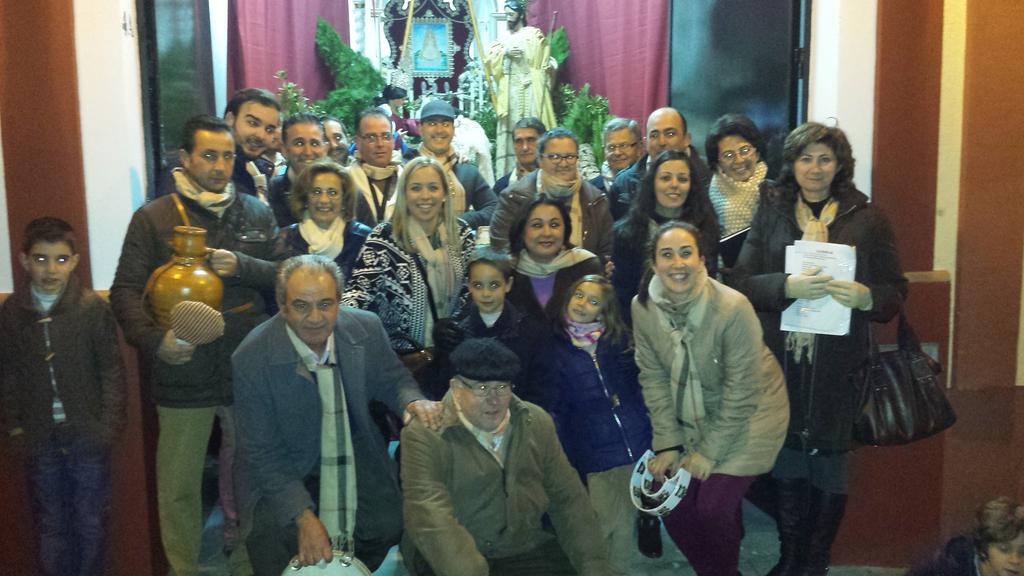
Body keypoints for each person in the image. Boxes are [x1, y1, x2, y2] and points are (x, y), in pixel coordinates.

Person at [729, 122, 907, 576]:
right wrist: (788, 285)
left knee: (829, 462)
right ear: (791, 163)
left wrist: (865, 297)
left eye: (825, 159)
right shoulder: (772, 212)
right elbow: (743, 283)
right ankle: (791, 558)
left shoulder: (868, 218)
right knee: (787, 453)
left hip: (839, 364)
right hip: (783, 358)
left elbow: (894, 291)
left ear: (839, 166)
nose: (814, 168)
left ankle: (815, 563)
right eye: (806, 158)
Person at [110, 114, 278, 576]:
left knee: (253, 476)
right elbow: (125, 291)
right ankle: (182, 569)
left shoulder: (258, 212)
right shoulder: (153, 218)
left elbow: (285, 276)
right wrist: (155, 341)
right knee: (179, 486)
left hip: (247, 364)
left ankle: (248, 564)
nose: (220, 166)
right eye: (209, 155)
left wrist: (241, 264)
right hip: (183, 368)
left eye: (227, 156)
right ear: (184, 158)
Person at [233, 255, 441, 575]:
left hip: (353, 449)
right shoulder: (251, 356)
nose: (315, 317)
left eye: (326, 304)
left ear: (339, 301)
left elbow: (393, 380)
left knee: (388, 523)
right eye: (301, 305)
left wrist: (412, 403)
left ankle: (350, 568)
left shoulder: (365, 327)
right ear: (282, 304)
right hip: (286, 465)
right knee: (273, 540)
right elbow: (262, 452)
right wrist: (303, 516)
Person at [634, 221, 789, 576]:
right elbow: (653, 379)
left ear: (702, 258)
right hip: (693, 415)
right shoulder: (642, 308)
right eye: (667, 255)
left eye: (686, 253)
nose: (678, 263)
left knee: (713, 508)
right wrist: (668, 444)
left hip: (754, 413)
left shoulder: (733, 307)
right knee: (669, 501)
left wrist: (709, 453)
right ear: (654, 264)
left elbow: (743, 390)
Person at [401, 338, 612, 576]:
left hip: (522, 547)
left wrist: (595, 567)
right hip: (447, 556)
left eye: (502, 387)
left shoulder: (535, 422)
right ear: (457, 388)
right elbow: (430, 516)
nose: (494, 399)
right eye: (482, 388)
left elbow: (569, 499)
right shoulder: (426, 433)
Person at [0, 217, 127, 576]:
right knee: (51, 523)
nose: (50, 269)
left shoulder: (91, 309)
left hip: (88, 435)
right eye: (40, 259)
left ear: (74, 261)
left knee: (90, 521)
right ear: (25, 261)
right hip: (39, 438)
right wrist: (16, 430)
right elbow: (7, 376)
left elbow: (111, 372)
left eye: (60, 259)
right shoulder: (12, 314)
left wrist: (107, 428)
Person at [342, 156, 475, 398]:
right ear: (404, 193)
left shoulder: (463, 235)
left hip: (452, 359)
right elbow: (358, 292)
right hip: (402, 363)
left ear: (445, 193)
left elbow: (471, 292)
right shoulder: (383, 238)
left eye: (433, 187)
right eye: (416, 188)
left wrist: (455, 325)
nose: (425, 196)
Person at [548, 274, 652, 575]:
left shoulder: (617, 342)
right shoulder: (556, 347)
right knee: (600, 523)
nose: (583, 304)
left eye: (593, 301)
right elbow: (557, 407)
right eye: (579, 295)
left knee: (625, 523)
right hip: (594, 451)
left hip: (634, 444)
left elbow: (637, 389)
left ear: (604, 311)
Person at [612, 150, 720, 325]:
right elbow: (622, 297)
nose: (674, 185)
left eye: (683, 179)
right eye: (666, 178)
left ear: (691, 186)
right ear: (652, 183)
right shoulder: (627, 233)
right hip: (643, 329)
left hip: (699, 326)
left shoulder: (706, 229)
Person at [436, 247, 550, 407]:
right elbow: (444, 387)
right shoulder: (455, 333)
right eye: (478, 285)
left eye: (494, 285)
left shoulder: (530, 333)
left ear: (508, 284)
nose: (486, 293)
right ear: (468, 286)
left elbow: (540, 389)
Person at [490, 127, 614, 263]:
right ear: (540, 160)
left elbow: (606, 253)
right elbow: (501, 250)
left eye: (570, 156)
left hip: (581, 281)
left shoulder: (596, 200)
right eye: (555, 157)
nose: (564, 163)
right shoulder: (513, 198)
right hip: (526, 280)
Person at [157, 88, 281, 200]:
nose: (261, 135)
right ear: (230, 119)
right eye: (253, 123)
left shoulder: (260, 171)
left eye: (269, 129)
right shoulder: (186, 172)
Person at [483, 0, 557, 177]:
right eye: (506, 14)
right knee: (514, 135)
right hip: (511, 94)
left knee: (534, 129)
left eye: (512, 13)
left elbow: (544, 60)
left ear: (520, 14)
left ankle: (541, 173)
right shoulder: (502, 40)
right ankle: (511, 175)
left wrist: (549, 68)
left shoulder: (533, 34)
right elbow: (490, 62)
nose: (509, 17)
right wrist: (506, 52)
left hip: (532, 89)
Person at [507, 196, 603, 328]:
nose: (547, 233)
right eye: (537, 225)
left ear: (566, 229)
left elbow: (604, 321)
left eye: (554, 225)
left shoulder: (586, 265)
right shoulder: (507, 269)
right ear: (522, 231)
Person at [273, 157, 372, 282]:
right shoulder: (286, 239)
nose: (324, 200)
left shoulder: (363, 238)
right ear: (305, 198)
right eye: (316, 192)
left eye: (332, 193)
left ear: (344, 199)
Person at [404, 99, 497, 229]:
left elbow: (493, 208)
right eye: (432, 123)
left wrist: (464, 221)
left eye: (446, 124)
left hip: (458, 246)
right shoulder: (406, 168)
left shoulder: (466, 171)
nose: (439, 130)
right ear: (420, 129)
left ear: (453, 130)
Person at [608, 107, 711, 220]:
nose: (661, 142)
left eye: (670, 134)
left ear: (687, 139)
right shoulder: (623, 184)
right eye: (654, 135)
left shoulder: (710, 174)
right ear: (645, 142)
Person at [907, 496, 1024, 576]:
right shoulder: (950, 565)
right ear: (983, 549)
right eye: (1004, 549)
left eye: (1023, 551)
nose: (1015, 560)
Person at [704, 113, 770, 238]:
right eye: (728, 155)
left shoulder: (777, 185)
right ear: (718, 163)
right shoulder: (707, 195)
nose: (739, 160)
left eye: (744, 150)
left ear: (757, 152)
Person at [267, 113, 328, 227]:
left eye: (314, 143)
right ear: (284, 149)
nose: (308, 152)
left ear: (325, 148)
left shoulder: (344, 189)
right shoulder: (272, 191)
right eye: (299, 143)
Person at [349, 108, 405, 225]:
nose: (380, 144)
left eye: (386, 136)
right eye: (371, 138)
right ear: (357, 142)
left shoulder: (407, 176)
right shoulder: (345, 180)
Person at [493, 116, 546, 196]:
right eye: (519, 141)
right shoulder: (501, 187)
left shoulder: (558, 182)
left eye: (531, 140)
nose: (525, 147)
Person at [591, 117, 644, 192]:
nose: (617, 152)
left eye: (623, 146)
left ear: (639, 147)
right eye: (611, 147)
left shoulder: (652, 184)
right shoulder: (590, 190)